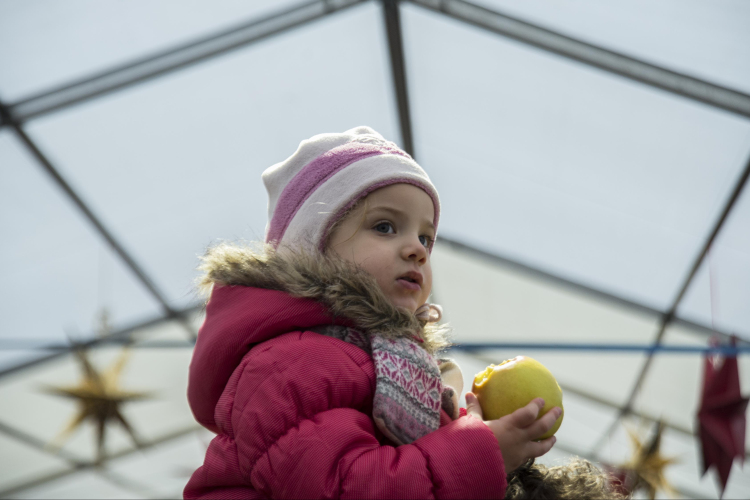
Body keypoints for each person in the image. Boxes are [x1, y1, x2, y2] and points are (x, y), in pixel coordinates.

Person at [183, 126, 608, 499]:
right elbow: (346, 488)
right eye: (385, 226)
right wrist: (482, 452)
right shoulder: (292, 362)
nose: (417, 250)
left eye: (426, 237)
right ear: (313, 246)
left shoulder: (392, 364)